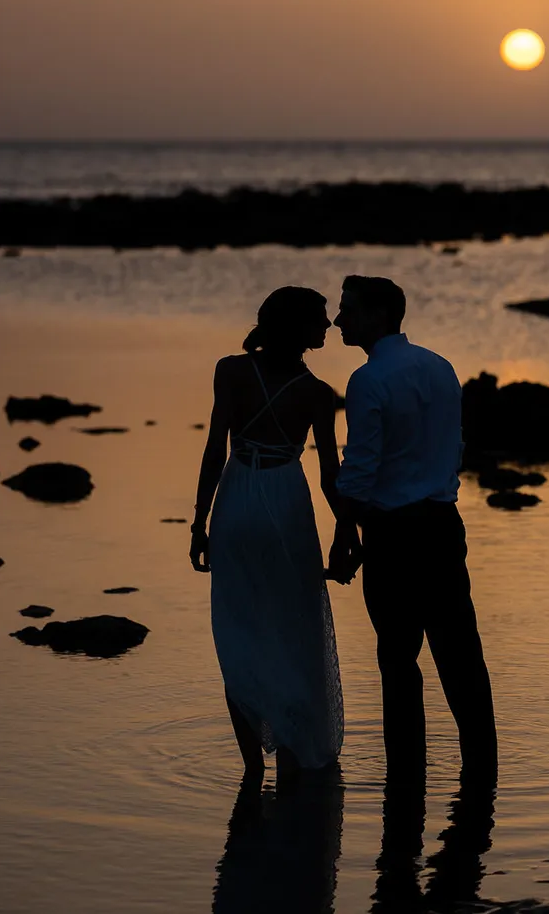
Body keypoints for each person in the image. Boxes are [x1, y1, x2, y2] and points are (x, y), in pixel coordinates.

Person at [329, 274, 498, 783]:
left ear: (379, 316)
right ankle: (483, 770)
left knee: (398, 661)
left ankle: (406, 779)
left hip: (393, 532)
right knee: (460, 652)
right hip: (444, 525)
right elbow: (454, 448)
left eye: (349, 311)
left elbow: (359, 470)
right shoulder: (440, 367)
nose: (339, 320)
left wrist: (345, 532)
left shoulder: (368, 380)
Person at [190, 286, 354, 778]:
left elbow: (213, 452)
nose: (327, 327)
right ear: (297, 328)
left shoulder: (230, 371)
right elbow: (330, 475)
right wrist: (346, 532)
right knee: (293, 634)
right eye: (319, 320)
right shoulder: (317, 395)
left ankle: (250, 770)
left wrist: (198, 522)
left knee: (240, 633)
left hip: (236, 501)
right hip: (285, 505)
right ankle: (288, 758)